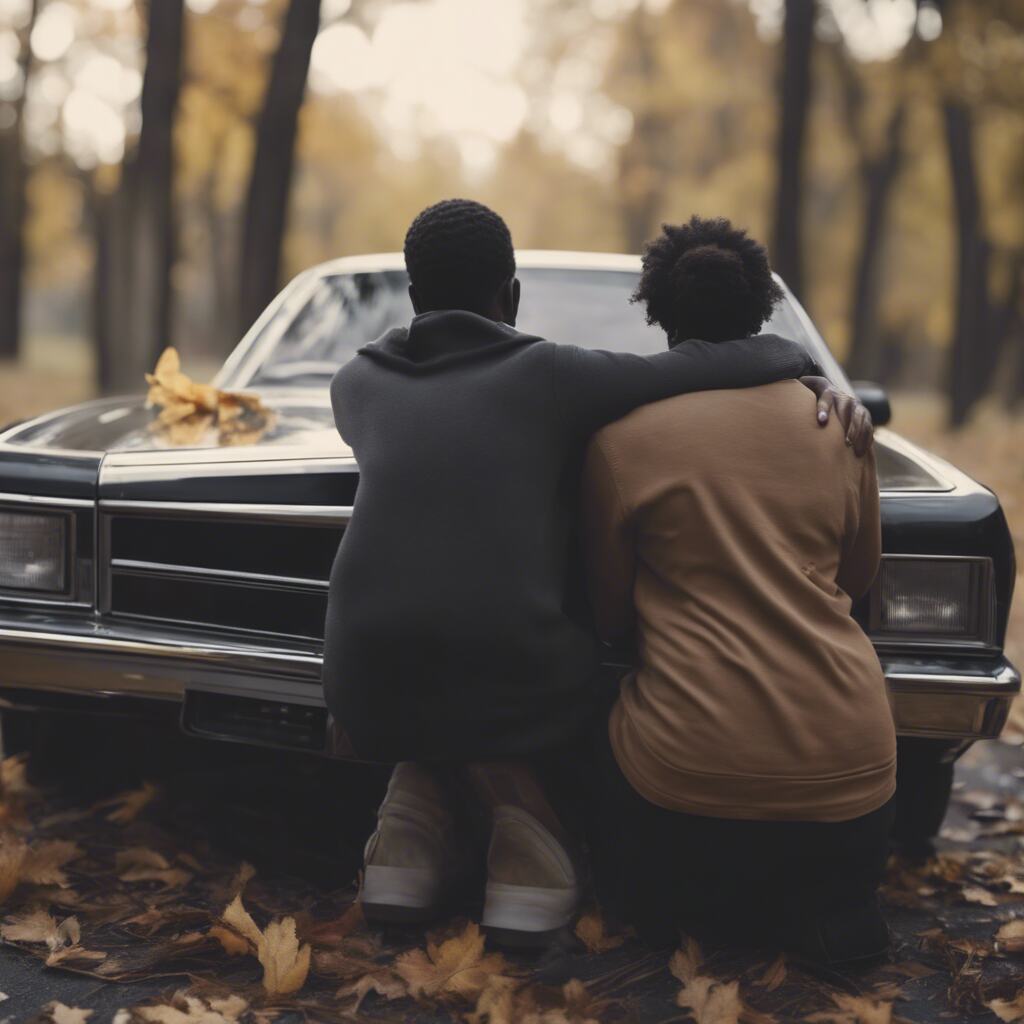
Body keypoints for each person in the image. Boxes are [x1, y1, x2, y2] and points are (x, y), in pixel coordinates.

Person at [321, 199, 871, 942]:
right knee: (567, 656)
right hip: (512, 677)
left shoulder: (356, 385)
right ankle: (531, 850)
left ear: (414, 297)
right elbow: (695, 365)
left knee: (435, 664)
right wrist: (802, 365)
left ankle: (406, 841)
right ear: (510, 295)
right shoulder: (550, 375)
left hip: (360, 678)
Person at [581, 215, 896, 963]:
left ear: (658, 314)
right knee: (813, 898)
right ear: (762, 310)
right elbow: (856, 583)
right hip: (855, 784)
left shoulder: (621, 440)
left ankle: (663, 906)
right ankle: (825, 912)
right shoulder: (840, 430)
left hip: (687, 786)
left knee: (587, 698)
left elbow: (608, 615)